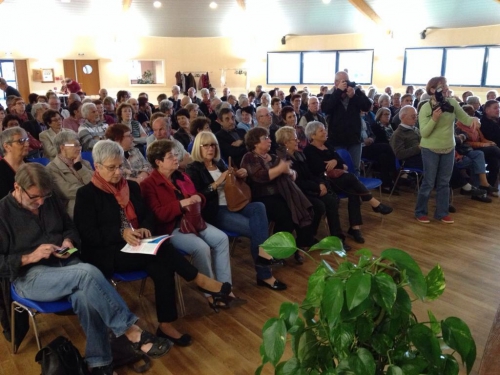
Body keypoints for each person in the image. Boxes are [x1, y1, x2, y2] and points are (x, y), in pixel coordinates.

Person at [1, 163, 170, 375]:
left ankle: (99, 364)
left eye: (45, 196)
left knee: (85, 297)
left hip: (65, 264)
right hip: (30, 276)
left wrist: (68, 240)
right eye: (35, 197)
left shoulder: (49, 201)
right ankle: (131, 330)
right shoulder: (3, 212)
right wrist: (29, 256)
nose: (41, 202)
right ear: (17, 187)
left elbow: (70, 228)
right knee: (87, 273)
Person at [74, 141, 232, 349]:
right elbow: (87, 233)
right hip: (109, 252)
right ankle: (199, 279)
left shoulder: (130, 187)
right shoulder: (86, 194)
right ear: (97, 167)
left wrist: (144, 228)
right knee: (163, 249)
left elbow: (147, 215)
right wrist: (122, 233)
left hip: (138, 244)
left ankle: (165, 325)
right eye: (112, 167)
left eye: (120, 166)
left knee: (163, 266)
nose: (118, 172)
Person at [141, 140, 241, 309]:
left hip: (194, 221)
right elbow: (157, 215)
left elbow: (197, 197)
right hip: (171, 228)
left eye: (175, 154)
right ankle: (211, 293)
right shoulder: (148, 185)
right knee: (201, 247)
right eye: (170, 156)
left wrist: (198, 199)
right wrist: (181, 204)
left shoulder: (182, 176)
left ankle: (225, 287)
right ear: (158, 162)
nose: (176, 158)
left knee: (221, 238)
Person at [186, 131, 287, 290]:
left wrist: (242, 174)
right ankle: (265, 273)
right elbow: (197, 196)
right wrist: (219, 181)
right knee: (256, 229)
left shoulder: (220, 163)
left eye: (213, 145)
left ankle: (263, 261)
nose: (210, 148)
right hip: (217, 210)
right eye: (205, 145)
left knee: (259, 206)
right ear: (198, 148)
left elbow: (233, 182)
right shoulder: (193, 168)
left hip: (235, 202)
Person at [303, 122, 393, 244]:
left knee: (354, 190)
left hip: (339, 180)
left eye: (325, 129)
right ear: (312, 135)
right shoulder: (309, 150)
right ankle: (373, 203)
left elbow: (342, 163)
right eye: (321, 131)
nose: (325, 132)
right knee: (351, 178)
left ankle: (355, 228)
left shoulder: (328, 145)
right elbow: (320, 168)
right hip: (325, 182)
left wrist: (334, 161)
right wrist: (336, 163)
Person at [241, 127, 315, 262]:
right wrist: (281, 169)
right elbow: (260, 177)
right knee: (287, 215)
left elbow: (291, 172)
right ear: (255, 143)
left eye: (269, 137)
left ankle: (299, 247)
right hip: (261, 198)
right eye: (265, 138)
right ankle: (274, 252)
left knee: (303, 208)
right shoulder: (249, 157)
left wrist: (291, 173)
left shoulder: (274, 156)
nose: (270, 140)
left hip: (282, 193)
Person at [415, 76, 480, 224]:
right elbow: (424, 133)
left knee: (444, 182)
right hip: (430, 148)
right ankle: (420, 212)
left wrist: (475, 120)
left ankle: (442, 213)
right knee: (429, 182)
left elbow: (465, 118)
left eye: (445, 85)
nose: (445, 88)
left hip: (448, 147)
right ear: (432, 90)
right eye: (441, 86)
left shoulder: (452, 103)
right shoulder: (425, 107)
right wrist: (434, 119)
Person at [275, 126, 350, 250]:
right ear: (286, 142)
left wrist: (321, 184)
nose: (298, 141)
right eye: (294, 139)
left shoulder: (299, 155)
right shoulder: (282, 159)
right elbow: (295, 183)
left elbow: (310, 174)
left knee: (331, 201)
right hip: (296, 192)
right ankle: (306, 238)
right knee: (318, 206)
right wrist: (317, 187)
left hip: (309, 188)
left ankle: (337, 239)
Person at [321, 71, 372, 175]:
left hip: (354, 138)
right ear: (336, 83)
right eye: (344, 82)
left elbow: (367, 106)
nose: (347, 84)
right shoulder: (330, 94)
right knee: (341, 168)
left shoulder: (355, 91)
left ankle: (356, 190)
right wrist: (338, 91)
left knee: (355, 168)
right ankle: (344, 190)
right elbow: (326, 108)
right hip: (337, 139)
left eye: (347, 81)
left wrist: (354, 96)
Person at [46, 131, 92, 218]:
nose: (79, 149)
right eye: (75, 145)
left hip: (92, 204)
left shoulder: (85, 163)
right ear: (62, 148)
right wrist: (92, 190)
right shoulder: (52, 168)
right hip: (72, 210)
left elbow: (95, 181)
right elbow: (67, 191)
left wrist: (80, 167)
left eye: (79, 145)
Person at [0, 127, 29, 198]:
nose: (27, 144)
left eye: (27, 140)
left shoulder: (31, 166)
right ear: (6, 146)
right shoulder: (1, 170)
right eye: (21, 141)